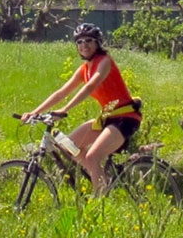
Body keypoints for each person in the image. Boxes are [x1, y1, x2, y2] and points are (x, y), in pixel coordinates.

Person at [20, 23, 143, 196]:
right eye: (79, 42)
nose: (84, 45)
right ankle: (102, 179)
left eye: (89, 41)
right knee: (69, 145)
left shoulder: (105, 61)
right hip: (107, 118)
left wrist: (64, 109)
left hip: (126, 118)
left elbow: (91, 86)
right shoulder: (84, 69)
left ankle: (100, 203)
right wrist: (34, 112)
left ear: (98, 43)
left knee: (93, 156)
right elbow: (61, 92)